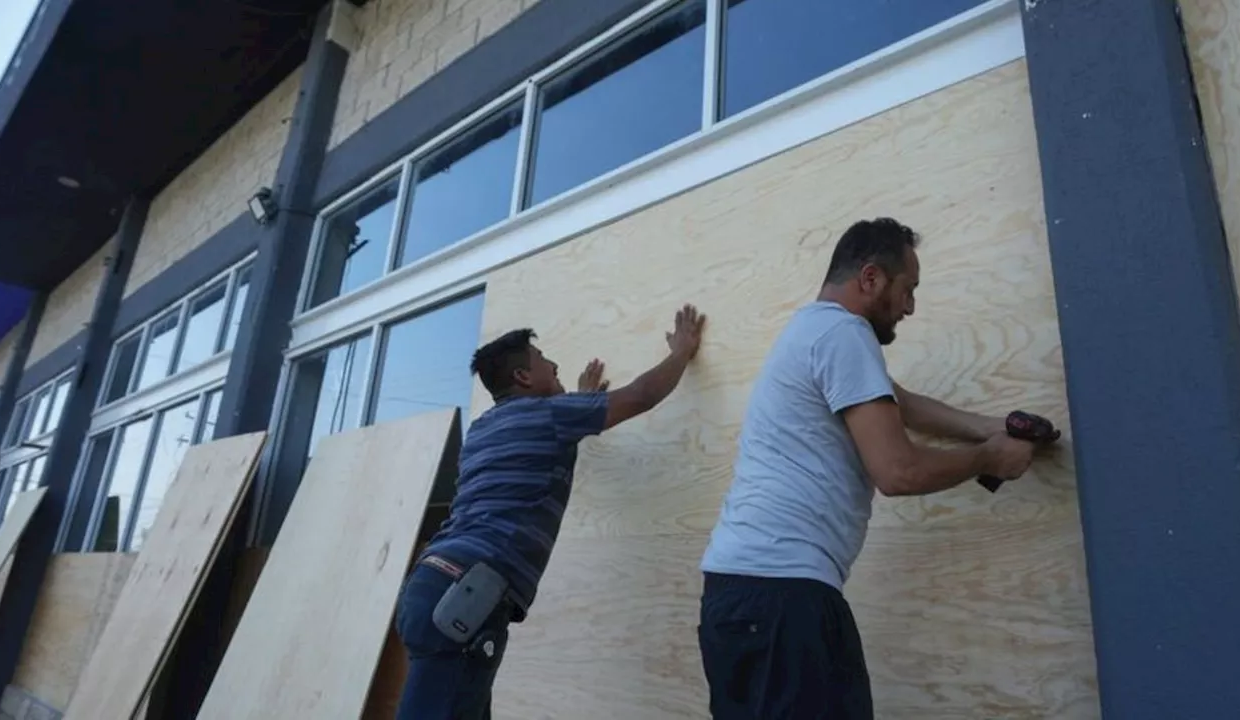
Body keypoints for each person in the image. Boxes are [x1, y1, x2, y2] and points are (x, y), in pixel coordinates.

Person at [697, 217, 1046, 720]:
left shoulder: (812, 331)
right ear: (870, 278)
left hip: (743, 596)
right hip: (782, 598)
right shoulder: (844, 333)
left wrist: (994, 427)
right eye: (908, 289)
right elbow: (897, 472)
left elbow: (899, 404)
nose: (910, 306)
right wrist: (989, 459)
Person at [394, 303, 708, 720]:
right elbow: (640, 396)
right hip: (464, 594)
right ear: (523, 377)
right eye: (543, 360)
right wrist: (681, 351)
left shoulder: (485, 429)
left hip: (433, 584)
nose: (554, 363)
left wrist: (578, 401)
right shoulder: (549, 416)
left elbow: (538, 450)